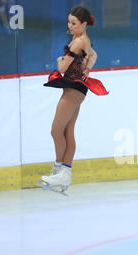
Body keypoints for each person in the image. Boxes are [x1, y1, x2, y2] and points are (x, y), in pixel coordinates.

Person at [39, 6, 109, 194]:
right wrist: (87, 69)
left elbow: (62, 68)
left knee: (55, 130)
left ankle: (58, 168)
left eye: (74, 23)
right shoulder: (82, 39)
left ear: (84, 24)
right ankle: (64, 173)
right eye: (69, 22)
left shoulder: (78, 42)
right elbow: (93, 55)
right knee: (67, 130)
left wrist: (59, 59)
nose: (69, 26)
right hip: (77, 88)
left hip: (73, 89)